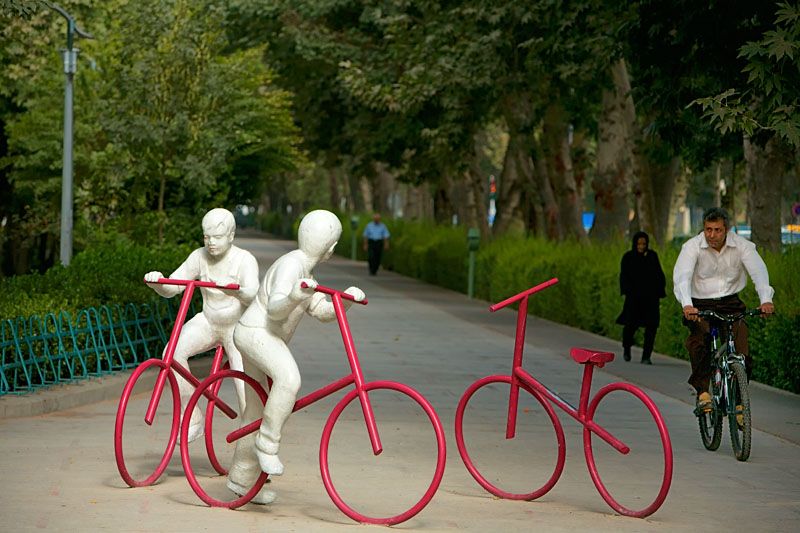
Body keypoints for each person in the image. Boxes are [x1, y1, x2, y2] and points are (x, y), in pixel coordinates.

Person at [226, 209, 365, 504]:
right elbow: (276, 308)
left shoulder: (307, 273)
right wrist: (295, 295)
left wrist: (347, 301)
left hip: (264, 337)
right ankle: (267, 444)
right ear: (330, 248)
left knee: (254, 411)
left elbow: (323, 311)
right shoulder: (290, 266)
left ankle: (241, 478)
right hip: (255, 333)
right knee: (288, 380)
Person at [144, 208, 259, 443]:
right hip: (208, 320)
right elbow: (174, 287)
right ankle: (193, 417)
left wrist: (234, 290)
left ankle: (253, 451)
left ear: (231, 235)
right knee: (172, 352)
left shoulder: (244, 259)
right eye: (207, 237)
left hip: (236, 329)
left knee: (245, 388)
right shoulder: (199, 256)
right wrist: (158, 283)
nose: (211, 243)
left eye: (217, 237)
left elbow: (253, 295)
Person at [673, 207, 775, 412]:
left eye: (718, 230)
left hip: (730, 303)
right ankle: (703, 393)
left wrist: (766, 300)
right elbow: (682, 276)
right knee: (699, 340)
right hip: (699, 304)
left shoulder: (742, 246)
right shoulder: (691, 247)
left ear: (727, 229)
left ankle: (739, 403)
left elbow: (758, 271)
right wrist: (687, 304)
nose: (712, 235)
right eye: (708, 230)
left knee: (741, 347)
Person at [616, 231, 666, 365]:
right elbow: (624, 276)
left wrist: (659, 291)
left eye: (644, 244)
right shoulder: (628, 257)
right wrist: (626, 291)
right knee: (630, 326)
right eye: (639, 244)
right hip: (634, 298)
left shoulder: (652, 256)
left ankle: (646, 356)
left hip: (650, 298)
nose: (641, 246)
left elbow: (659, 275)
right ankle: (627, 347)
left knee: (651, 327)